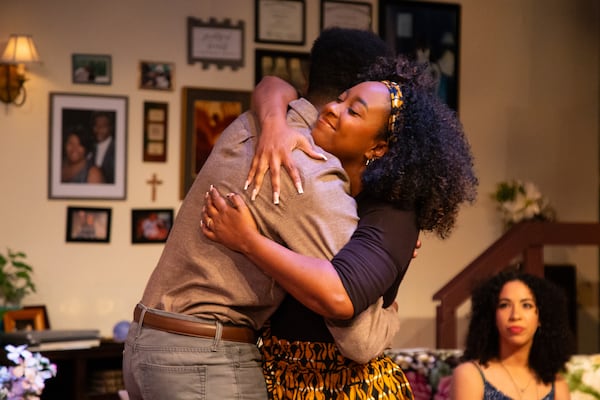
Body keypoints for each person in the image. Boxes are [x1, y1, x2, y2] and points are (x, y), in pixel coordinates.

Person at [123, 27, 407, 400]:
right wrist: (392, 309)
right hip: (202, 360)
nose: (340, 109)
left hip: (146, 343)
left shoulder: (251, 122)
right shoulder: (310, 171)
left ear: (307, 78)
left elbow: (271, 85)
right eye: (348, 102)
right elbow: (359, 338)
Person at [202, 55, 478, 399]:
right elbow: (273, 85)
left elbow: (341, 296)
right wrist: (274, 126)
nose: (332, 108)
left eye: (354, 111)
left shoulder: (393, 215)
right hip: (281, 377)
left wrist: (248, 241)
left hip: (345, 389)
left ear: (378, 147)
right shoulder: (333, 190)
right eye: (341, 97)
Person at [451, 269, 574, 400]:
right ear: (492, 316)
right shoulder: (470, 375)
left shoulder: (557, 385)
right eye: (504, 305)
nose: (515, 315)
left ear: (541, 318)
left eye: (526, 305)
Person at [91, 111, 115, 184]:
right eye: (96, 126)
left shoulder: (117, 150)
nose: (99, 129)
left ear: (110, 128)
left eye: (103, 126)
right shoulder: (90, 148)